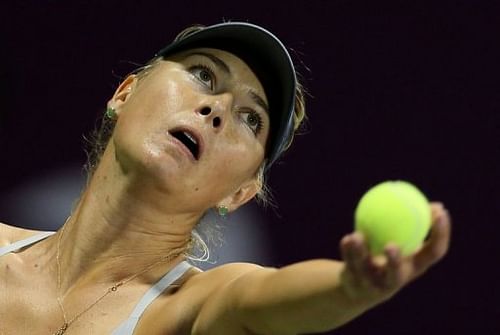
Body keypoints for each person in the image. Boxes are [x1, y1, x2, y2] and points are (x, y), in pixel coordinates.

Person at [0, 22, 451, 335]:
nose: (216, 109)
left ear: (240, 193)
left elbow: (262, 300)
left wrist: (349, 289)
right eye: (203, 74)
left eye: (250, 119)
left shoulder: (192, 308)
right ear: (125, 93)